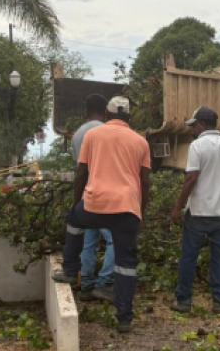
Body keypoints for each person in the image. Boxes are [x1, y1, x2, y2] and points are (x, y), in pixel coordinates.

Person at [53, 96, 151, 333]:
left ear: (107, 115)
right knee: (126, 264)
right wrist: (141, 212)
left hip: (95, 204)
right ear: (129, 117)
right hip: (126, 207)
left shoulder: (92, 136)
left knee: (74, 223)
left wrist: (77, 204)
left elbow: (81, 173)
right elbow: (145, 181)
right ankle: (124, 318)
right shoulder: (140, 142)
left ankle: (69, 270)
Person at [170, 106, 220, 315]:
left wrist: (178, 207)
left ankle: (183, 301)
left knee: (189, 257)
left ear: (202, 124)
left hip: (199, 214)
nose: (192, 130)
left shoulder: (197, 146)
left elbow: (191, 178)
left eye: (194, 126)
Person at [71, 94, 115, 302]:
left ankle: (86, 282)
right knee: (113, 238)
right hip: (105, 194)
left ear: (85, 111)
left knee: (89, 239)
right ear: (106, 111)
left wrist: (76, 200)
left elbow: (80, 169)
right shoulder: (106, 132)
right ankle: (103, 282)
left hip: (86, 195)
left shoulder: (78, 134)